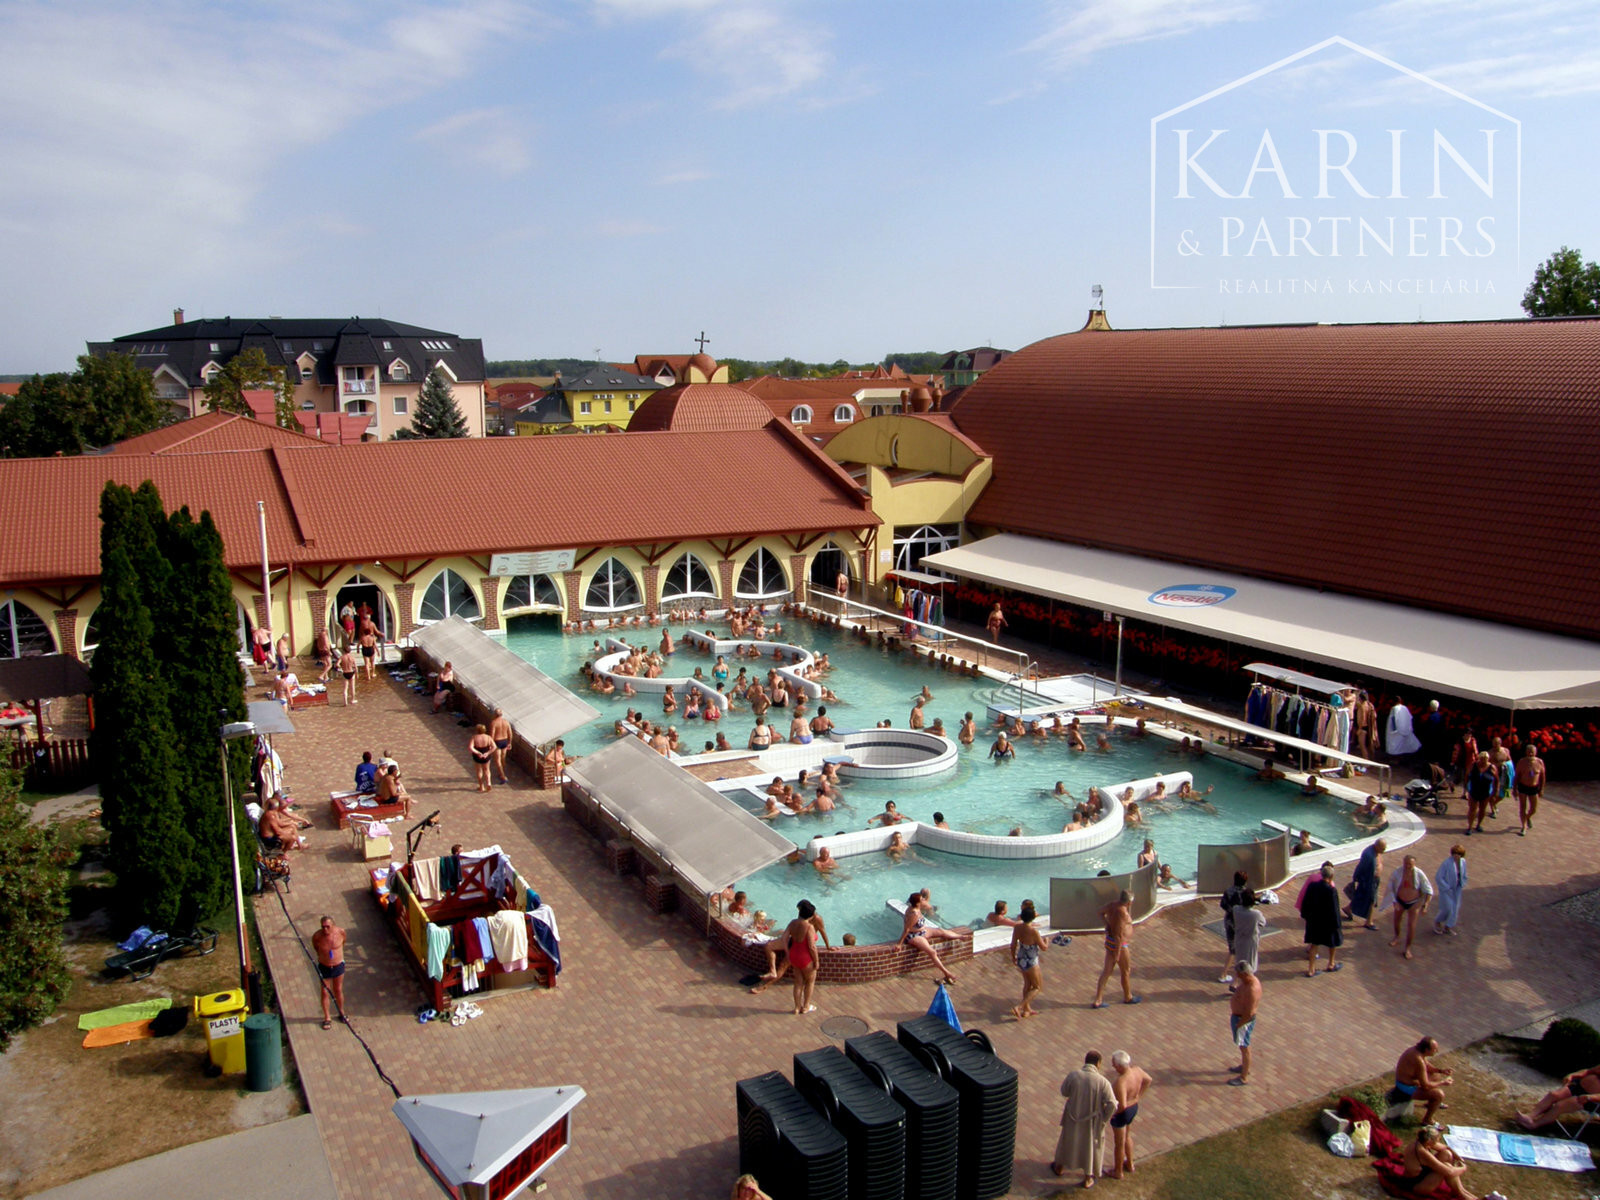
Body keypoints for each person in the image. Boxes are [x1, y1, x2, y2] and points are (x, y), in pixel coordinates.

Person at [1051, 1050, 1117, 1187]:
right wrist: (1104, 1118)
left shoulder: (1074, 1075)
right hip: (1091, 1121)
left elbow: (1064, 1091)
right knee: (1090, 1147)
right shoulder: (1103, 1082)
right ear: (1098, 1064)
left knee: (1067, 1141)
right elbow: (1112, 1104)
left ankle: (1059, 1167)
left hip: (1073, 1117)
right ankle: (1088, 1178)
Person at [1397, 1125, 1478, 1200]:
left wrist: (1459, 1159)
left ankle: (1461, 1191)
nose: (1437, 1143)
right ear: (1429, 1141)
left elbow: (1446, 1148)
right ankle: (1461, 1194)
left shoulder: (1421, 1142)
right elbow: (1449, 1172)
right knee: (1447, 1167)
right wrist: (1463, 1168)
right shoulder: (1422, 1152)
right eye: (1436, 1141)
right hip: (1415, 1185)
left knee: (1447, 1154)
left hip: (1422, 1175)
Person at [1108, 1050, 1153, 1181]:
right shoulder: (1137, 1071)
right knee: (1127, 1136)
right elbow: (1148, 1080)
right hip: (1133, 1108)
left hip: (1122, 1113)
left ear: (1120, 1066)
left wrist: (1111, 1114)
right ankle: (1130, 1163)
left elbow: (1122, 1105)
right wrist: (1138, 1096)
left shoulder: (1121, 1082)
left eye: (1114, 1064)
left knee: (1119, 1142)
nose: (1113, 1067)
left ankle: (1118, 1171)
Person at [1517, 1061, 1600, 1130]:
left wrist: (1590, 1097)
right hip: (1578, 1088)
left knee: (1560, 1105)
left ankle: (1535, 1124)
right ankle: (1530, 1116)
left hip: (1592, 1100)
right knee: (1553, 1095)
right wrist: (1573, 1075)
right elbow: (1589, 1071)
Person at [1091, 891, 1140, 1008]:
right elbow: (1119, 935)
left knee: (1106, 972)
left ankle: (1098, 1000)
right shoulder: (1122, 913)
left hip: (1110, 941)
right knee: (1125, 971)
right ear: (1129, 902)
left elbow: (1099, 912)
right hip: (1120, 945)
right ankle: (1128, 996)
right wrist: (1117, 954)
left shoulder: (1112, 905)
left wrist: (1107, 924)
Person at [1382, 852, 1434, 959]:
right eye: (1406, 864)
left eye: (1410, 864)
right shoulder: (1397, 872)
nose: (1407, 866)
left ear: (1414, 864)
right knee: (1397, 920)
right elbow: (1390, 887)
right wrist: (1394, 901)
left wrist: (1426, 904)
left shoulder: (1419, 874)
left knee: (1411, 925)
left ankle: (1407, 948)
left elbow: (1428, 889)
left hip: (1414, 902)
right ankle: (1397, 937)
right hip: (1400, 900)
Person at [899, 892, 958, 985]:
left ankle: (961, 936)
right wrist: (899, 944)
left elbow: (927, 901)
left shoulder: (917, 908)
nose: (924, 900)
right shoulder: (914, 913)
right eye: (922, 899)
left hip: (922, 931)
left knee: (941, 931)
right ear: (918, 903)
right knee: (932, 952)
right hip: (914, 936)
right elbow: (907, 929)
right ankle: (947, 973)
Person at [1395, 1036, 1454, 1125]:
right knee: (1439, 1095)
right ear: (1427, 1050)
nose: (1437, 1051)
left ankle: (1431, 1104)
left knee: (1436, 1075)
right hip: (1404, 1088)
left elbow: (1427, 1066)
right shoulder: (1418, 1060)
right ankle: (1427, 1120)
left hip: (1409, 1081)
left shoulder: (1417, 1051)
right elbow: (1425, 1085)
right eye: (1435, 1049)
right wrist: (1443, 1083)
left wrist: (1441, 1071)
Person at [1300, 862, 1344, 975]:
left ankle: (1311, 969)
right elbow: (1335, 909)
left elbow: (1305, 902)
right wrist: (1338, 925)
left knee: (1314, 944)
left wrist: (1306, 916)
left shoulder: (1312, 886)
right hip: (1328, 923)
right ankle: (1331, 964)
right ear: (1331, 877)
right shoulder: (1331, 891)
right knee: (1332, 943)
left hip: (1314, 921)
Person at [783, 900, 820, 1016]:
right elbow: (811, 946)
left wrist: (787, 952)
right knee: (810, 982)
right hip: (806, 958)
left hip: (794, 955)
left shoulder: (792, 923)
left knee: (798, 983)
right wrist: (816, 961)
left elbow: (784, 938)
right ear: (810, 915)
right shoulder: (809, 927)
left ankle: (796, 1007)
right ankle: (806, 1006)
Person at [1009, 900, 1045, 1019]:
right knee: (1037, 987)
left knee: (1027, 984)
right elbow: (1044, 948)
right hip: (1031, 961)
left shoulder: (1017, 927)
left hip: (1021, 958)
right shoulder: (1033, 931)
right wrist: (1047, 941)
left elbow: (1013, 944)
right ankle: (1019, 1007)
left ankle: (1026, 1009)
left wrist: (1013, 957)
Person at [1228, 960, 1261, 1085]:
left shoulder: (1252, 989)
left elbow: (1249, 1013)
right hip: (1239, 1018)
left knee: (1244, 1047)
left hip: (1243, 1021)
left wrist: (1240, 1024)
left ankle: (1243, 1077)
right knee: (1242, 1046)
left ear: (1245, 974)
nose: (1237, 976)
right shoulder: (1247, 982)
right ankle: (1244, 1066)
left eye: (1239, 974)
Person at [312, 916, 347, 1030]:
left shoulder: (341, 932)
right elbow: (315, 946)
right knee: (325, 992)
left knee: (338, 989)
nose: (325, 929)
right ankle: (327, 1017)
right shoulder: (317, 936)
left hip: (338, 966)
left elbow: (343, 942)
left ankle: (341, 1012)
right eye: (323, 927)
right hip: (324, 967)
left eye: (328, 927)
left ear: (333, 925)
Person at [1344, 838, 1386, 930]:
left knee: (1360, 896)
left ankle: (1348, 908)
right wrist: (1357, 879)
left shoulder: (1376, 852)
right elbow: (1361, 867)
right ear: (1377, 846)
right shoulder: (1368, 855)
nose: (1384, 851)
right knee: (1372, 900)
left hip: (1374, 880)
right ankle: (1369, 922)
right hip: (1368, 881)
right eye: (1382, 849)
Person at [1219, 870, 1249, 983]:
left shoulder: (1228, 891)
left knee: (1232, 947)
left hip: (1229, 921)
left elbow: (1223, 904)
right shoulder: (1246, 892)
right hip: (1240, 922)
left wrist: (1231, 911)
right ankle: (1225, 974)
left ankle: (1227, 972)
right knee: (1238, 950)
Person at [1433, 844, 1468, 936]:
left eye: (1458, 854)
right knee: (1447, 908)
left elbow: (1464, 874)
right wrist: (1446, 887)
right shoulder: (1446, 863)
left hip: (1457, 888)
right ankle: (1438, 921)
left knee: (1455, 908)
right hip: (1447, 890)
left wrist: (1463, 882)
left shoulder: (1463, 862)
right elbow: (1439, 877)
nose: (1456, 856)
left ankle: (1448, 926)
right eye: (1454, 854)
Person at [1231, 889, 1266, 977]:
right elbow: (1263, 922)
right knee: (1250, 965)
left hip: (1239, 939)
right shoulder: (1256, 914)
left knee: (1239, 962)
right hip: (1250, 941)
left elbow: (1239, 906)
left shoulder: (1236, 909)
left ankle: (1238, 980)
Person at [1514, 742, 1545, 835]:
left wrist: (1541, 789)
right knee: (1522, 807)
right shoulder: (1522, 762)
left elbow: (1542, 777)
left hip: (1534, 788)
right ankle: (1524, 826)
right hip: (1523, 787)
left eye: (1532, 752)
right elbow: (1517, 776)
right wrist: (1515, 789)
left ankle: (1527, 817)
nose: (1530, 754)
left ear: (1535, 752)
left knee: (1534, 808)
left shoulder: (1539, 762)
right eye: (1529, 752)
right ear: (1526, 752)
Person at [1463, 751, 1495, 834]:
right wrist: (1466, 787)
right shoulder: (1473, 765)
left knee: (1482, 809)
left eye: (1485, 759)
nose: (1483, 761)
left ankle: (1479, 824)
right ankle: (1470, 827)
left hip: (1485, 791)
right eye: (1482, 759)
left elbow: (1496, 779)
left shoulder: (1492, 767)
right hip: (1474, 790)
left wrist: (1496, 791)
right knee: (1472, 809)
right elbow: (1467, 775)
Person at [488, 708, 513, 785]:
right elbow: (510, 733)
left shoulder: (494, 723)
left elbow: (492, 735)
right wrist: (509, 742)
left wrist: (491, 745)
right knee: (503, 758)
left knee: (497, 760)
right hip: (504, 740)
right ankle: (502, 772)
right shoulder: (506, 722)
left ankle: (503, 776)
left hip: (497, 741)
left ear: (495, 714)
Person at [468, 725, 496, 792]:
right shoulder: (488, 737)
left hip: (477, 756)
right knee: (487, 770)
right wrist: (487, 753)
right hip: (486, 755)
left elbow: (470, 747)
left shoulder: (474, 737)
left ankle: (481, 786)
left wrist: (477, 752)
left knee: (479, 771)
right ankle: (488, 782)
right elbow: (494, 747)